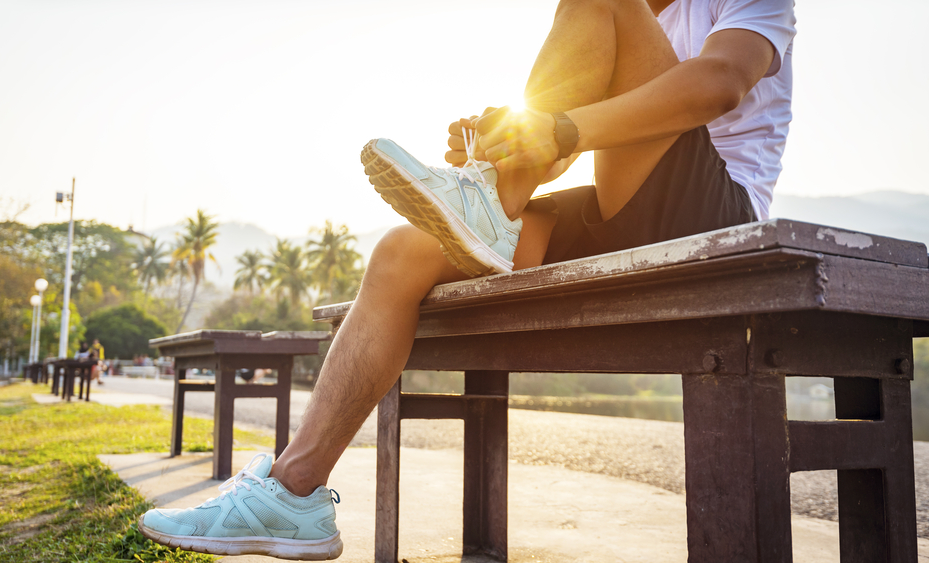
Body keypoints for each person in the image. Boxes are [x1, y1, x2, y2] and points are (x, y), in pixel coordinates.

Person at [138, 0, 796, 559]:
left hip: (718, 218)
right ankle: (294, 490)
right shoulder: (637, 19)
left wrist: (555, 132)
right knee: (402, 254)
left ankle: (487, 190)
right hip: (623, 205)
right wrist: (505, 138)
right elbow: (597, 135)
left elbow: (720, 82)